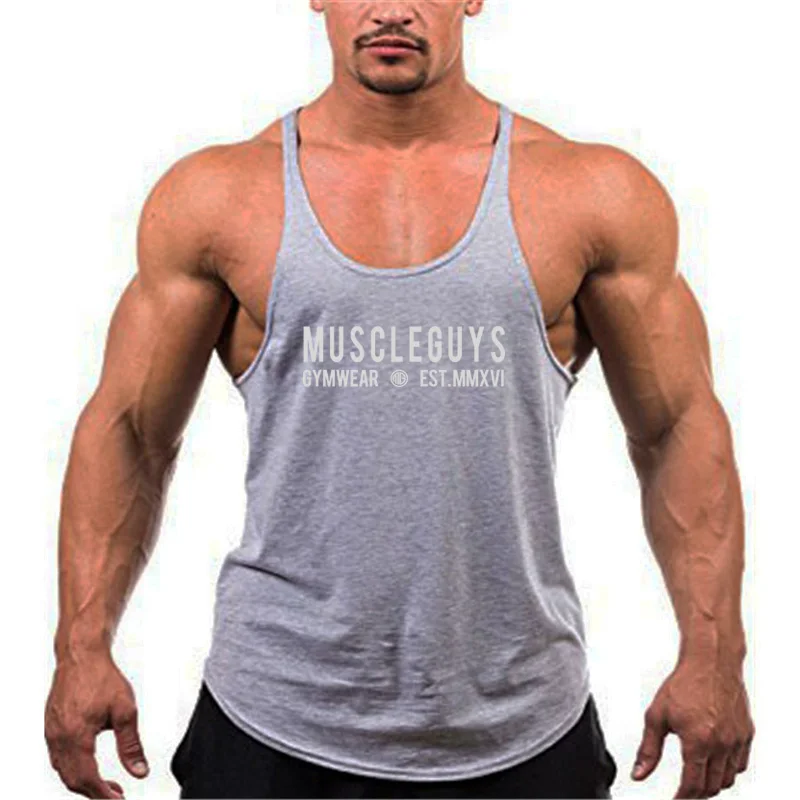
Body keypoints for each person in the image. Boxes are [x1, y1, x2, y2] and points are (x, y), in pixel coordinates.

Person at [44, 1, 754, 798]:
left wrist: (714, 655)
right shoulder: (218, 196)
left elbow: (676, 427)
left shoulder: (590, 193)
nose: (390, 10)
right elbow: (131, 432)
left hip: (521, 719)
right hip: (275, 715)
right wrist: (81, 649)